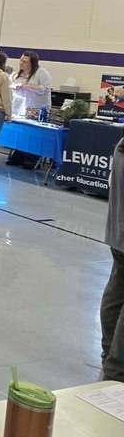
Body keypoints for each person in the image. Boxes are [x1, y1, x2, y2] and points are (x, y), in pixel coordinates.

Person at [100, 136, 124, 381]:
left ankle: (109, 355)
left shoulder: (120, 145)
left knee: (116, 291)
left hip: (118, 235)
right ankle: (117, 370)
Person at [8, 51, 53, 168]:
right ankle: (18, 156)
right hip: (22, 109)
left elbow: (43, 89)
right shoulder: (17, 74)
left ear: (32, 63)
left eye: (24, 61)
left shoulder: (42, 73)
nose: (21, 63)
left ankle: (32, 159)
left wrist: (24, 86)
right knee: (22, 133)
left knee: (34, 135)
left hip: (38, 109)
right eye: (21, 60)